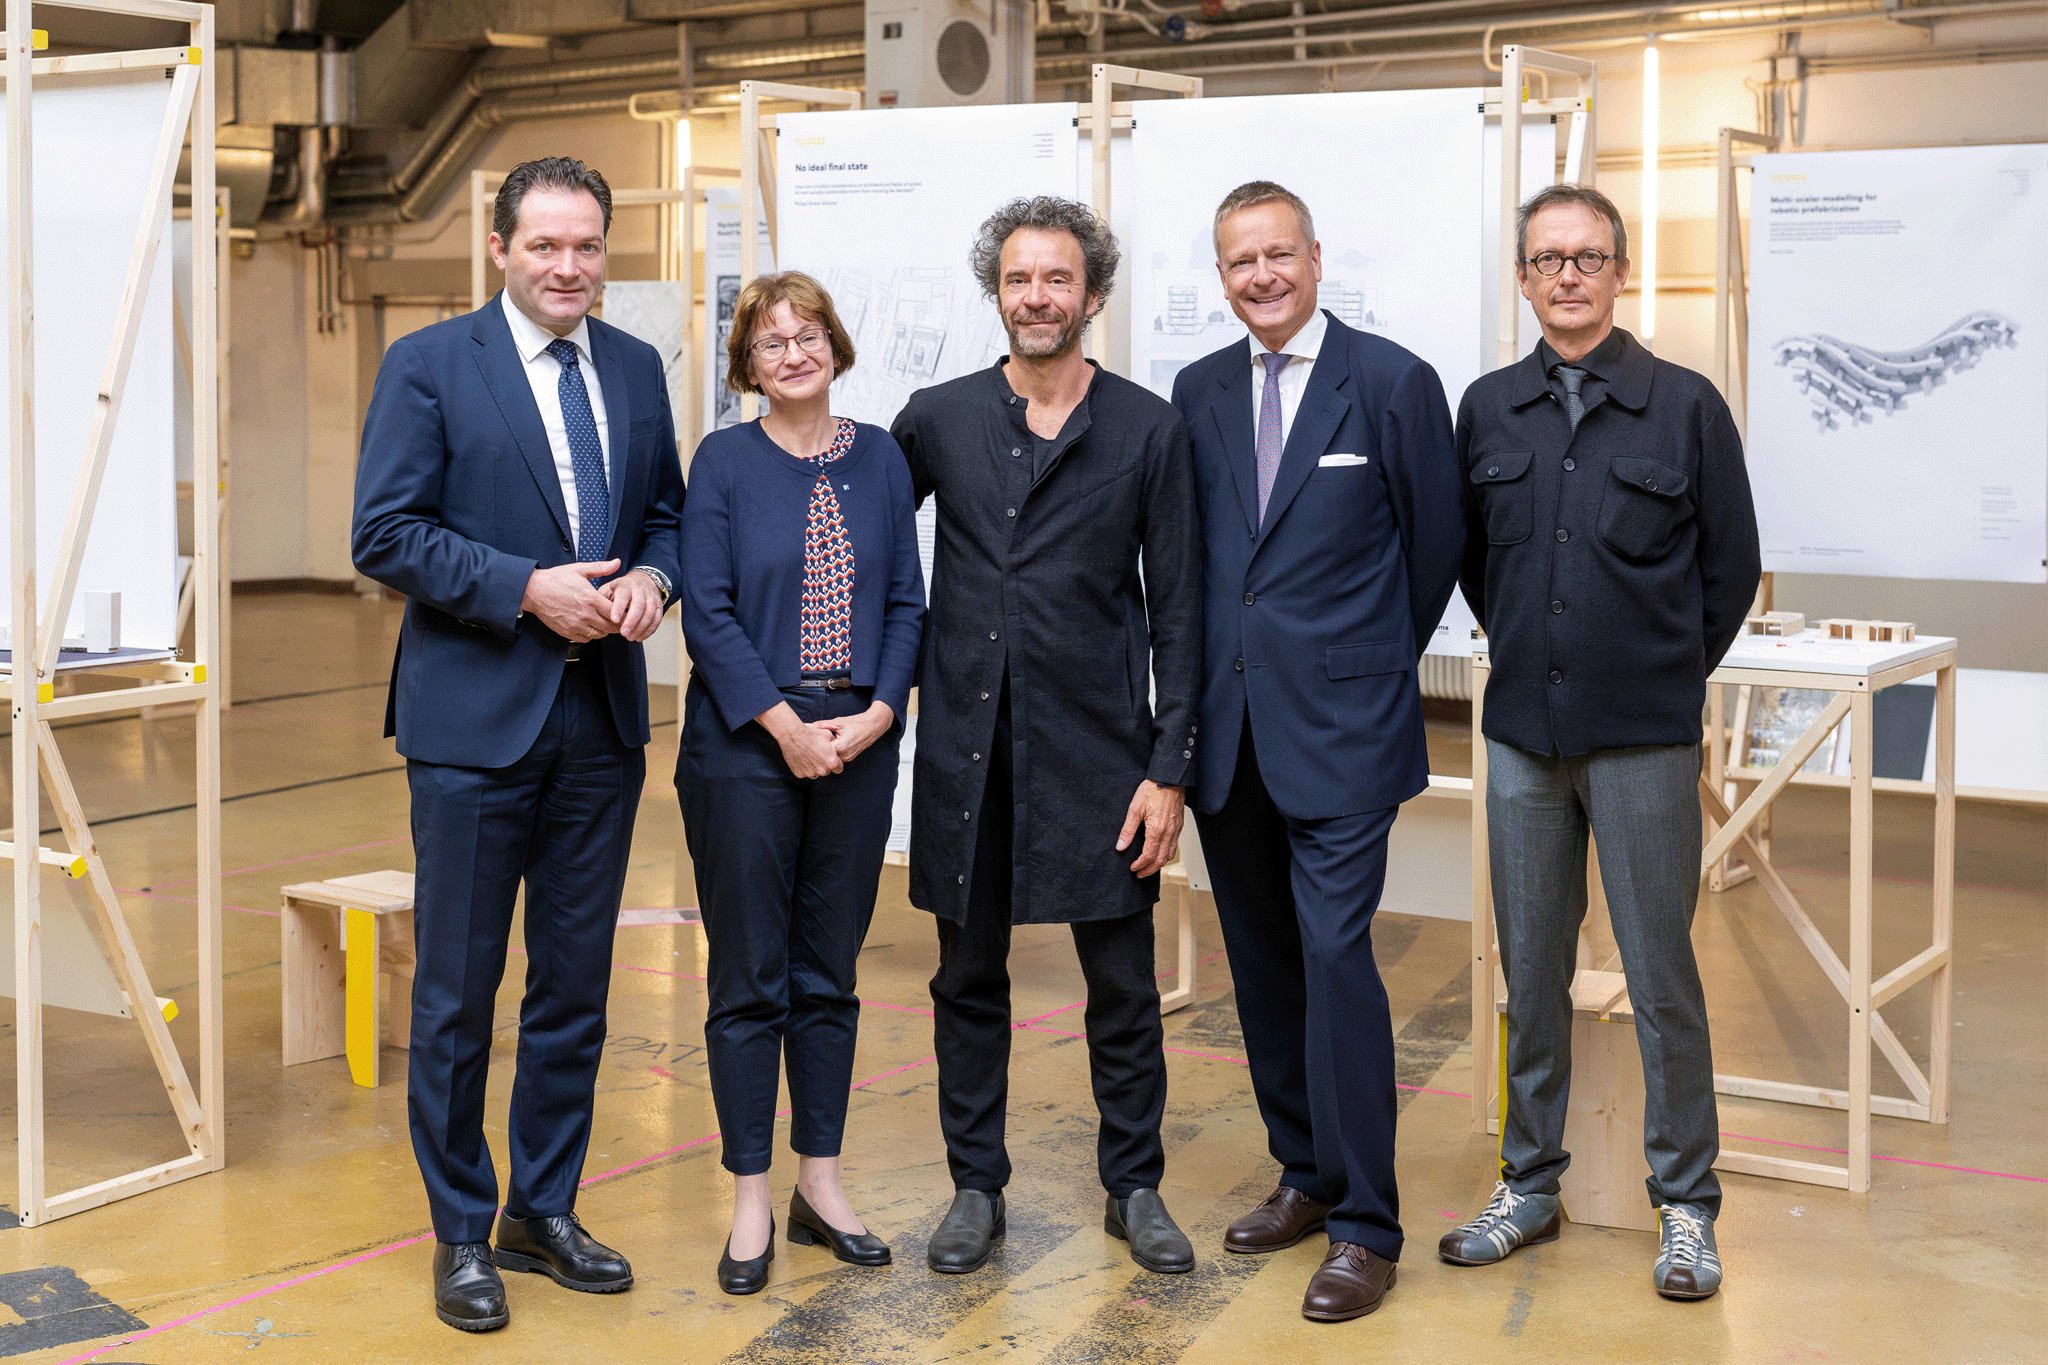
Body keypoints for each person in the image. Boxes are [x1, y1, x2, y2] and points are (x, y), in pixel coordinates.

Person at [351, 156, 684, 1333]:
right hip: (473, 727)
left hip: (598, 723)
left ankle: (540, 1212)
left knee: (574, 991)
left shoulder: (637, 366)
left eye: (586, 245)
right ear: (500, 248)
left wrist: (651, 578)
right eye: (544, 245)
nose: (568, 267)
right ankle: (459, 1232)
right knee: (454, 996)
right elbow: (384, 532)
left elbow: (666, 516)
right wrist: (523, 589)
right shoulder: (431, 365)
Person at [1443, 183, 1759, 1301]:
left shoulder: (1683, 406)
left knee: (1659, 975)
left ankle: (1685, 1206)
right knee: (1529, 973)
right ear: (1523, 279)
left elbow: (1726, 573)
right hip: (1526, 736)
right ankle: (1526, 1184)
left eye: (1585, 257)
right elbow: (1477, 564)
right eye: (1545, 259)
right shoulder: (1485, 409)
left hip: (1641, 741)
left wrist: (1653, 672)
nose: (1566, 275)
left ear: (1617, 273)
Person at [888, 197, 1202, 1278]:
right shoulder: (934, 418)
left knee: (1120, 990)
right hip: (968, 755)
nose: (1037, 297)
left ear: (1091, 295)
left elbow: (1182, 616)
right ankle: (975, 1188)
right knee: (966, 982)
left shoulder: (1149, 430)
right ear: (997, 292)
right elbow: (874, 538)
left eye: (1057, 279)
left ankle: (1136, 1187)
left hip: (1101, 757)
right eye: (1019, 279)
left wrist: (1168, 772)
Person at [1170, 181, 1465, 1322]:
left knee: (1335, 960)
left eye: (1276, 255)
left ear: (1314, 256)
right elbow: (1201, 562)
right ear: (1221, 273)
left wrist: (1359, 666)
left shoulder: (1389, 383)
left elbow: (1431, 550)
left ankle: (1365, 1225)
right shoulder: (1197, 392)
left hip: (1343, 733)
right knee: (1261, 967)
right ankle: (1302, 1172)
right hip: (1229, 735)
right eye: (1238, 261)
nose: (1260, 277)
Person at [677, 272, 925, 1295]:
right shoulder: (724, 462)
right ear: (748, 363)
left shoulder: (881, 460)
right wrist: (783, 727)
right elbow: (708, 610)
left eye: (809, 333)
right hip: (747, 746)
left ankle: (819, 1184)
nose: (792, 353)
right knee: (750, 980)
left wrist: (878, 713)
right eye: (770, 341)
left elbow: (908, 603)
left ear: (836, 345)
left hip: (857, 745)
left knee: (828, 974)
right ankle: (748, 1199)